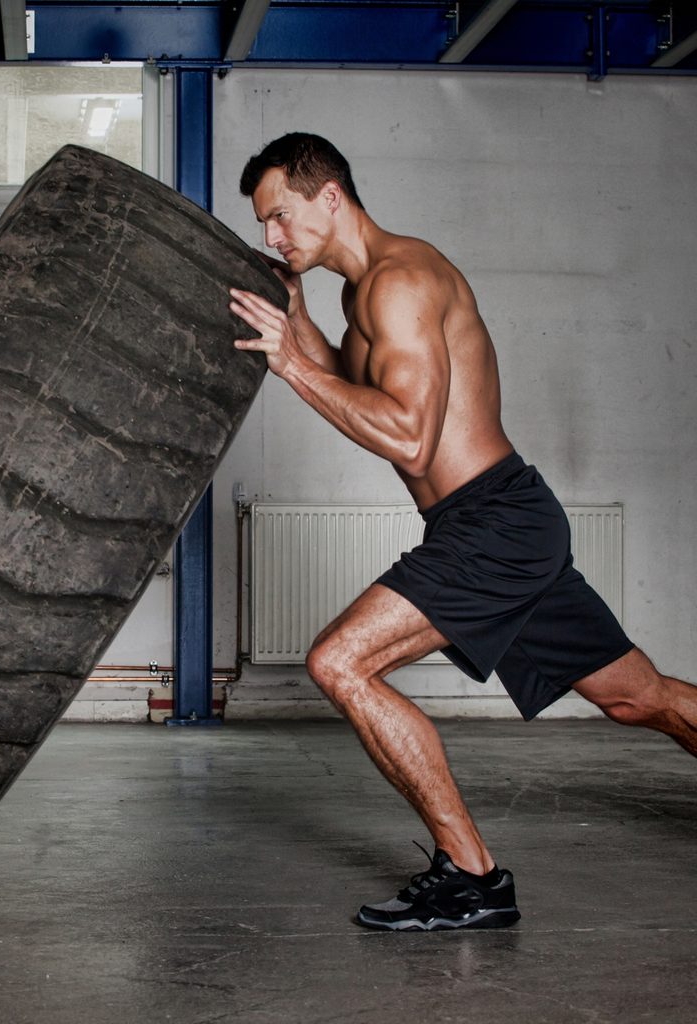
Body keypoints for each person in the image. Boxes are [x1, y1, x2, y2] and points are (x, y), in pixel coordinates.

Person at [228, 132, 697, 932]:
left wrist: (290, 367)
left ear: (329, 197)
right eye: (266, 223)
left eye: (280, 215)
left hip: (493, 524)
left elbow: (410, 437)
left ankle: (473, 876)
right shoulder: (358, 292)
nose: (273, 236)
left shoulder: (401, 283)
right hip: (503, 519)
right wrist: (298, 325)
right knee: (634, 699)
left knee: (339, 663)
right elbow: (354, 390)